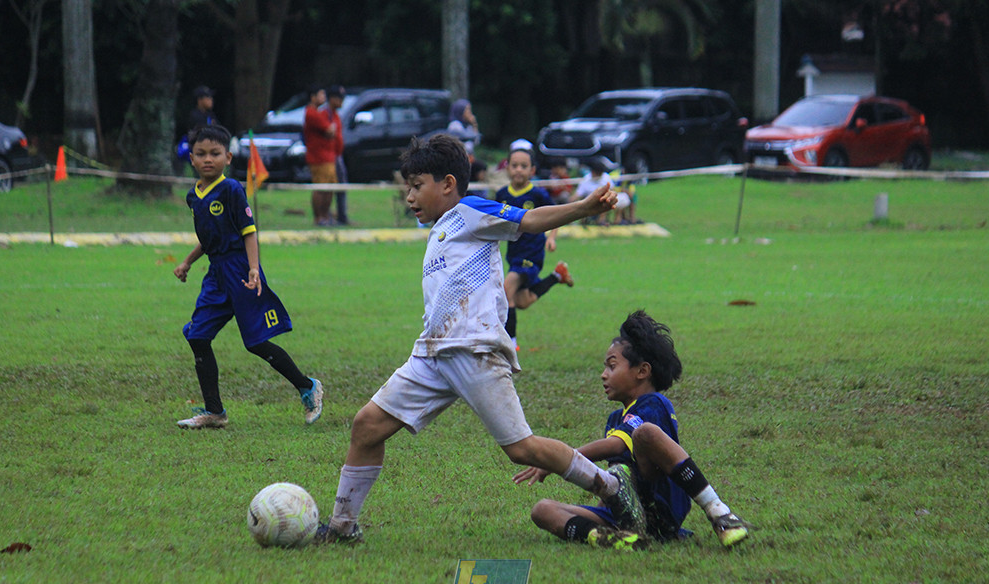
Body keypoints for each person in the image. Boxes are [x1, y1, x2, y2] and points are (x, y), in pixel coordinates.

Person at [315, 133, 645, 545]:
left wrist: (584, 207)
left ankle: (612, 487)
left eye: (417, 186)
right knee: (366, 427)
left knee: (522, 449)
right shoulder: (438, 230)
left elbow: (528, 220)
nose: (410, 197)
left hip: (474, 351)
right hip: (432, 354)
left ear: (448, 184)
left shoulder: (469, 211)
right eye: (408, 189)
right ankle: (342, 527)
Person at [514, 310, 750, 551]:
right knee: (543, 510)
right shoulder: (615, 419)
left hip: (659, 512)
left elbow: (618, 445)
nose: (603, 374)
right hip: (625, 516)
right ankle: (613, 539)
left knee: (645, 434)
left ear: (642, 371)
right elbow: (620, 473)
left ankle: (719, 513)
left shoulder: (654, 404)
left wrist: (558, 459)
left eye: (612, 366)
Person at [172, 124, 323, 429]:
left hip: (242, 269)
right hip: (216, 274)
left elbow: (248, 231)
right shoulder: (194, 196)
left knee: (255, 342)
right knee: (198, 336)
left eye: (215, 153)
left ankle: (308, 386)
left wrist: (254, 269)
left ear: (227, 157)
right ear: (191, 159)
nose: (207, 160)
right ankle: (214, 412)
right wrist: (187, 261)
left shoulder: (231, 189)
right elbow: (210, 236)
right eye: (200, 154)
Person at [495, 146, 574, 351]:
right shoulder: (502, 194)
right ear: (507, 169)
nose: (519, 170)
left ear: (532, 170)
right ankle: (557, 276)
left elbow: (556, 215)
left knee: (506, 290)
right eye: (514, 166)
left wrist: (552, 237)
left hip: (532, 252)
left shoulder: (538, 194)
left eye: (524, 166)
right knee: (522, 301)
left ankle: (510, 343)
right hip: (513, 255)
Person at [303, 84, 345, 226]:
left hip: (329, 156)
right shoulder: (312, 113)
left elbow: (333, 131)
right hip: (319, 157)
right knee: (320, 188)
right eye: (321, 95)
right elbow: (329, 130)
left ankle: (326, 216)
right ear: (313, 97)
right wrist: (330, 130)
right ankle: (319, 217)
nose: (324, 98)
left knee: (330, 188)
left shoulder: (326, 114)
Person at [574, 159, 615, 225]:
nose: (599, 176)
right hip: (588, 202)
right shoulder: (586, 180)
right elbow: (577, 195)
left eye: (600, 174)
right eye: (597, 173)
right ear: (592, 172)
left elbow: (613, 190)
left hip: (603, 201)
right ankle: (583, 222)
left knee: (606, 200)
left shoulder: (606, 177)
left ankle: (602, 221)